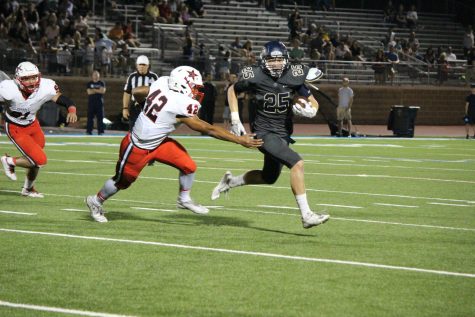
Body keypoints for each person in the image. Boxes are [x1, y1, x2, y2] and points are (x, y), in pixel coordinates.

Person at [85, 66, 263, 222]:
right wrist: (239, 139)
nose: (196, 92)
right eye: (193, 87)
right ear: (182, 84)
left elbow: (137, 91)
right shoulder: (180, 102)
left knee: (188, 166)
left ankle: (184, 199)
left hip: (159, 142)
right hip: (137, 147)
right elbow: (207, 129)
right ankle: (96, 200)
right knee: (121, 182)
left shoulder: (163, 82)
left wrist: (143, 107)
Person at [211, 41, 330, 229]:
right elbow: (232, 90)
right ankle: (307, 215)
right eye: (271, 60)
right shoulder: (254, 74)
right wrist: (235, 118)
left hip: (283, 133)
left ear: (286, 60)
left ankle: (231, 182)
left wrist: (312, 110)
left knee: (269, 177)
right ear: (263, 60)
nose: (276, 63)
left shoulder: (295, 73)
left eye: (279, 60)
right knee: (297, 163)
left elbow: (311, 99)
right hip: (264, 133)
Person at [0, 62, 78, 197]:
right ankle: (8, 161)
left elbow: (60, 98)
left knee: (35, 159)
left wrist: (71, 109)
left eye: (33, 77)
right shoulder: (7, 89)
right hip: (15, 127)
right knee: (39, 159)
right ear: (18, 79)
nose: (31, 82)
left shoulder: (45, 86)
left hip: (32, 124)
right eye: (26, 78)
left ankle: (28, 189)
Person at [122, 55, 159, 131]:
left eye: (144, 65)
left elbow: (158, 93)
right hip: (136, 106)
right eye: (140, 64)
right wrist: (125, 108)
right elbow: (127, 93)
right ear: (136, 66)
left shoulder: (154, 77)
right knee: (133, 129)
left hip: (149, 106)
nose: (142, 67)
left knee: (149, 129)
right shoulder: (132, 76)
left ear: (148, 66)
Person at [86, 70, 106, 135]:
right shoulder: (89, 83)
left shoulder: (101, 83)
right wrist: (98, 90)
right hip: (91, 103)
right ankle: (89, 131)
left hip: (99, 103)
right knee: (90, 118)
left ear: (99, 76)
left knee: (100, 118)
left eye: (97, 75)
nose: (96, 76)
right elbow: (89, 92)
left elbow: (103, 91)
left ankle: (100, 132)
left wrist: (93, 90)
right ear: (92, 76)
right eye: (94, 75)